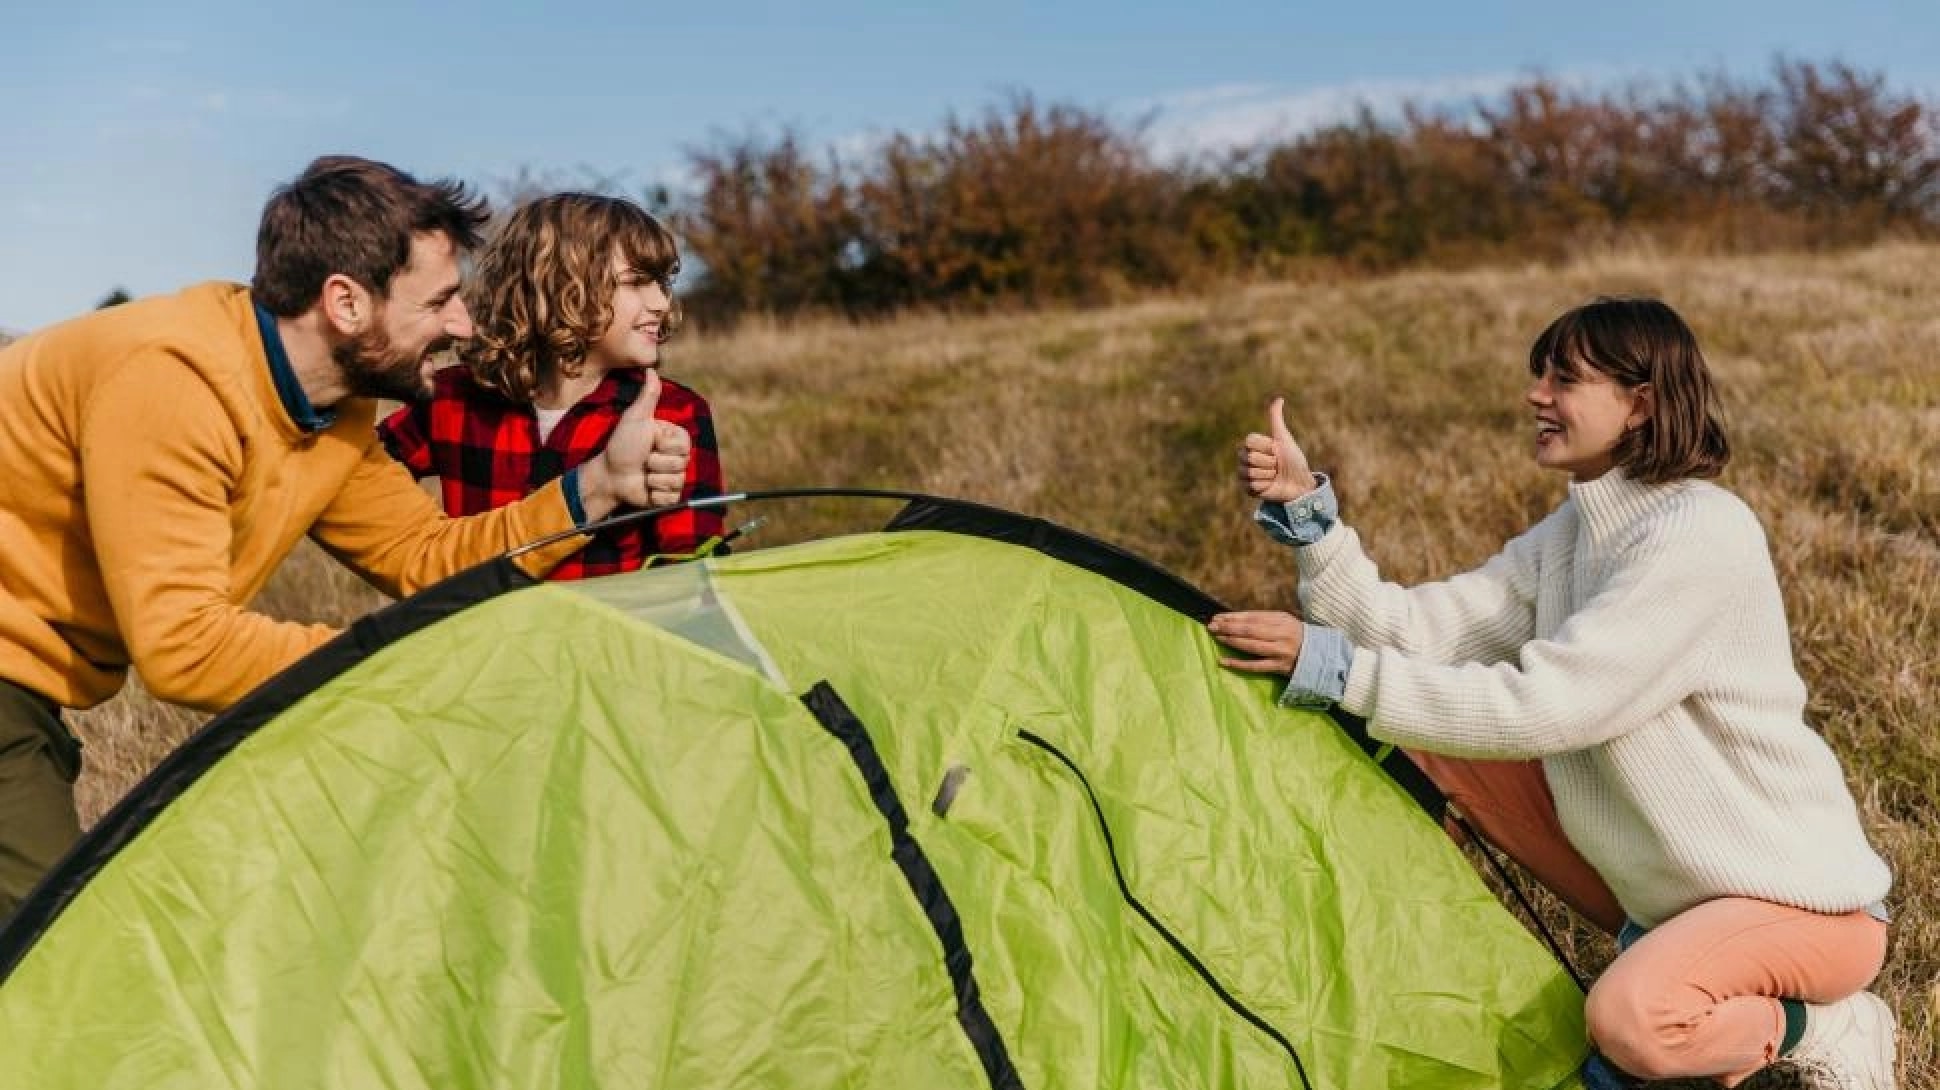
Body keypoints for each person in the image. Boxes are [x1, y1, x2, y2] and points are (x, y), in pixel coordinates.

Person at [1206, 297, 1897, 1089]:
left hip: (1804, 912)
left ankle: (1824, 1024)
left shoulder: (1700, 532)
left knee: (1631, 1022)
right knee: (1420, 736)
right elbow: (1411, 632)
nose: (1537, 394)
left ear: (1640, 403)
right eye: (1540, 374)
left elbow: (1554, 706)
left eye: (1564, 378)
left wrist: (1340, 669)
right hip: (1668, 900)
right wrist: (1309, 518)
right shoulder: (1571, 536)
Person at [0, 156, 692, 917]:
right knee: (51, 956)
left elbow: (425, 557)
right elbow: (186, 649)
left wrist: (595, 490)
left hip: (30, 687)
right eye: (439, 301)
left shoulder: (335, 410)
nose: (463, 326)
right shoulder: (176, 381)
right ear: (346, 303)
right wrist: (396, 670)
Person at [378, 192, 726, 577]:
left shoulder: (675, 413)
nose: (660, 302)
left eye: (661, 283)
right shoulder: (452, 399)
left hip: (609, 635)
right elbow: (365, 474)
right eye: (637, 282)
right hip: (490, 633)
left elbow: (694, 570)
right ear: (557, 288)